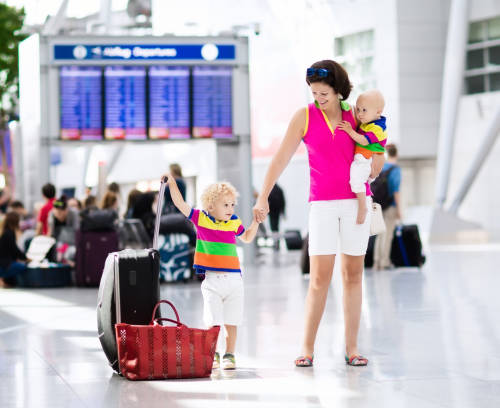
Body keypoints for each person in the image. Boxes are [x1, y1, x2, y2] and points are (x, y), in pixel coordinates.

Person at [253, 60, 385, 368]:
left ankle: (351, 348)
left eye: (324, 93)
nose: (319, 99)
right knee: (318, 279)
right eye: (314, 93)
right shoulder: (305, 116)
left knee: (353, 276)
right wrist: (262, 196)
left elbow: (377, 145)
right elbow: (281, 158)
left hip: (356, 204)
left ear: (339, 91)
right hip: (322, 206)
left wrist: (377, 158)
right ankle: (307, 348)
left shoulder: (357, 114)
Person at [165, 174, 260, 370]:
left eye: (232, 204)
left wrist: (256, 222)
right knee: (213, 322)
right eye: (225, 205)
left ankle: (230, 354)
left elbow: (248, 237)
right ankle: (214, 353)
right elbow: (180, 203)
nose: (231, 209)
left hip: (234, 281)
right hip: (212, 281)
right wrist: (172, 183)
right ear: (210, 206)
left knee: (232, 321)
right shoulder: (200, 218)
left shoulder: (234, 222)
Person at [338, 89, 388, 224]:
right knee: (361, 182)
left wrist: (349, 130)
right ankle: (365, 202)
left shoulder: (378, 128)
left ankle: (362, 207)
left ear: (378, 112)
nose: (359, 114)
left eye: (364, 110)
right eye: (358, 110)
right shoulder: (369, 122)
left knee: (356, 182)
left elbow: (364, 141)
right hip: (365, 159)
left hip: (365, 160)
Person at [373, 143, 402, 270]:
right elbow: (396, 191)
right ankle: (385, 261)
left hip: (378, 204)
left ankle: (376, 262)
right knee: (388, 234)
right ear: (396, 154)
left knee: (379, 233)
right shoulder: (395, 169)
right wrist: (399, 209)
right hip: (390, 205)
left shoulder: (382, 167)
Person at [48, 196, 80, 265]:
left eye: (60, 213)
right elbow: (50, 234)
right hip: (58, 243)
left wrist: (64, 248)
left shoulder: (74, 214)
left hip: (72, 243)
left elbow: (77, 233)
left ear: (66, 210)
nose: (58, 216)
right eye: (56, 213)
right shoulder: (52, 215)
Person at [267, 184, 286, 250]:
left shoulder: (270, 189)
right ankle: (276, 243)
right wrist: (283, 212)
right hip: (275, 212)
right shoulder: (279, 189)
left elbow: (267, 201)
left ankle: (276, 243)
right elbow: (283, 202)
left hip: (273, 212)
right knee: (275, 228)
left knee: (274, 228)